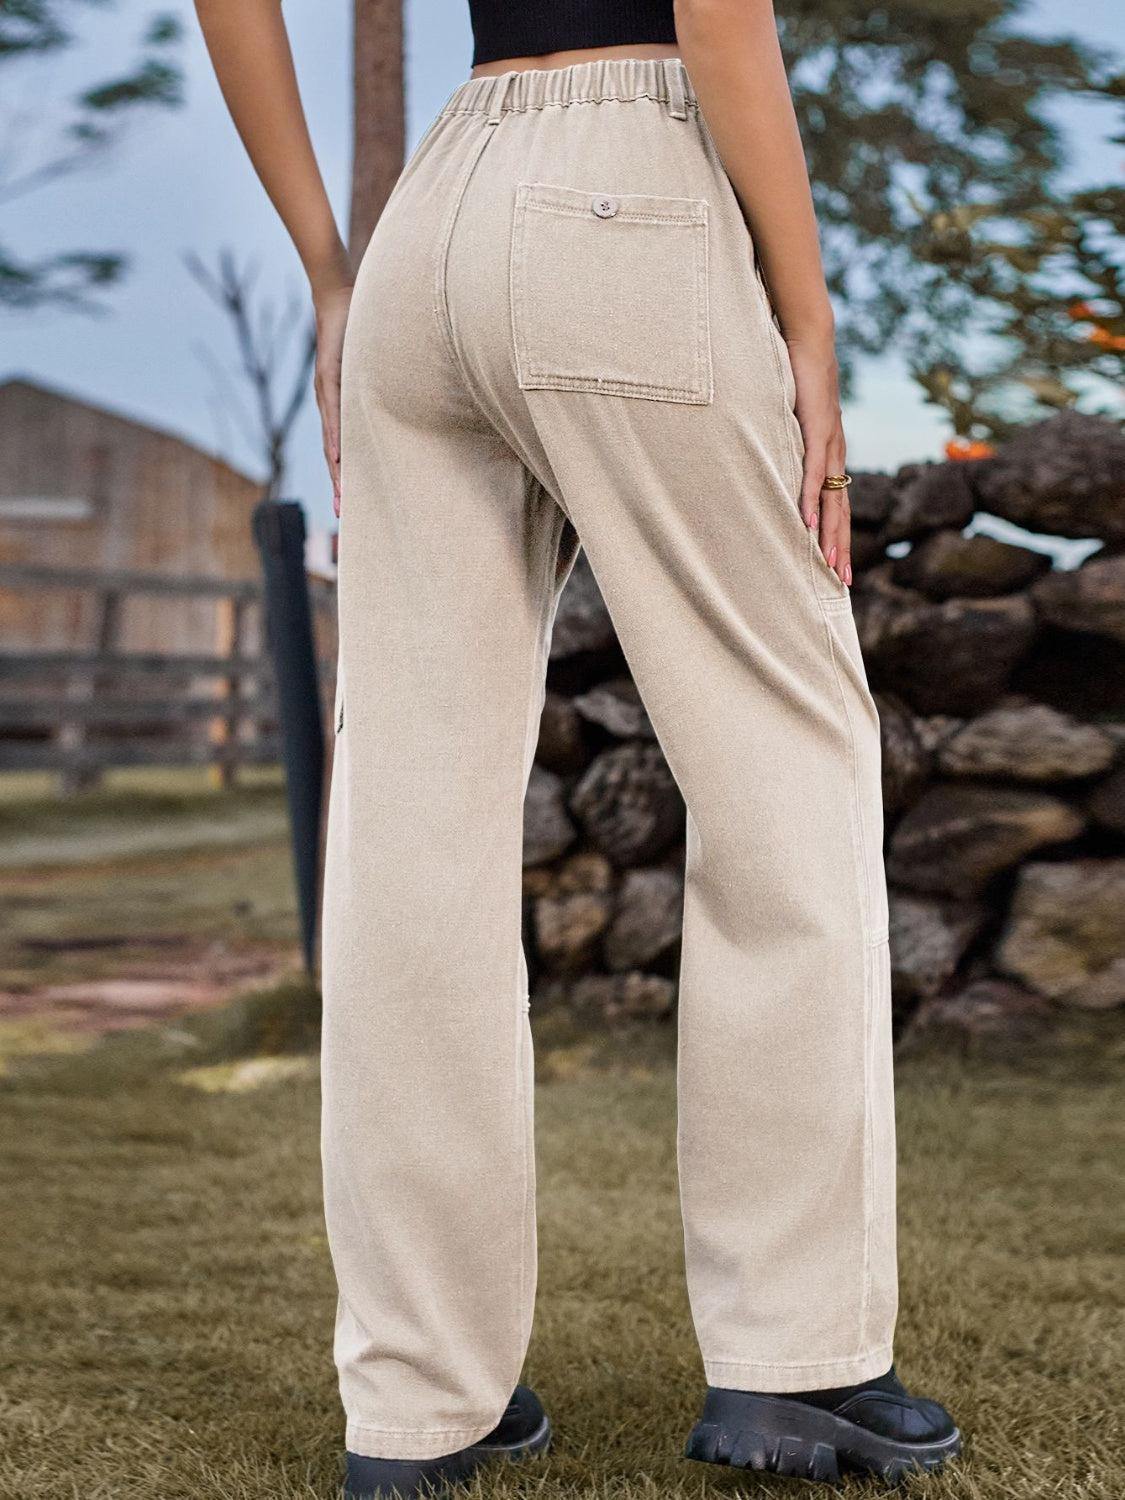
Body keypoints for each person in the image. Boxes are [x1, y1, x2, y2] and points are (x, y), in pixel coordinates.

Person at [194, 2, 962, 1495]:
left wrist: (326, 266)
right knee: (782, 755)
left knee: (407, 814)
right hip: (633, 178)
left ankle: (419, 1404)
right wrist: (803, 319)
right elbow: (716, 9)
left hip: (430, 221)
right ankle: (796, 1363)